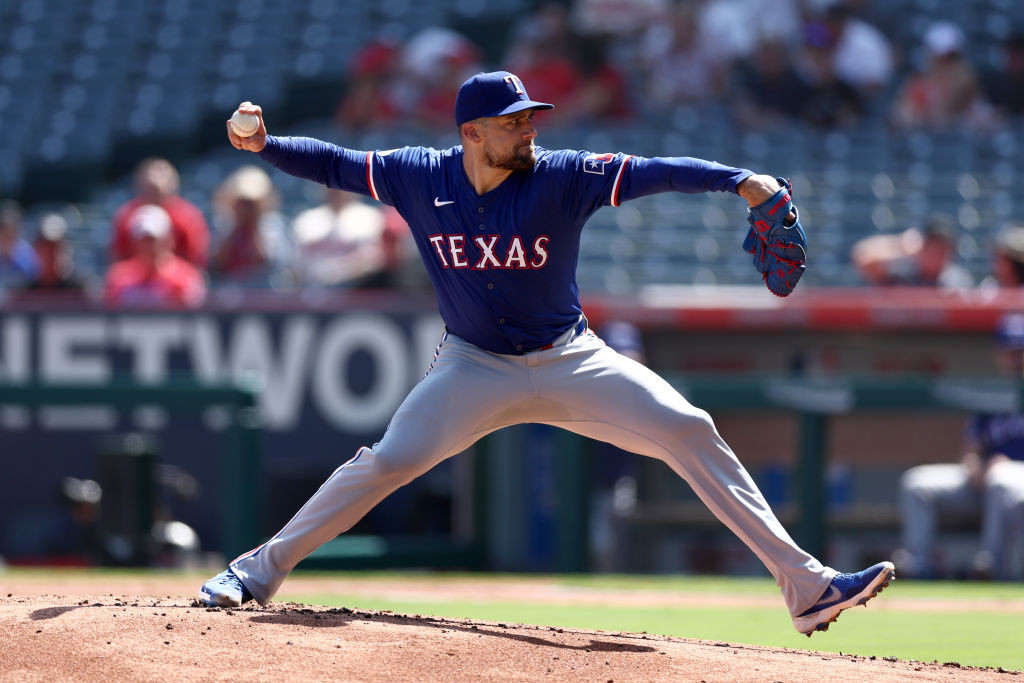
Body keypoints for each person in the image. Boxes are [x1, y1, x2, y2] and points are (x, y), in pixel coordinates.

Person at [197, 70, 894, 636]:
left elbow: (656, 172)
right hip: (472, 364)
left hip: (570, 358)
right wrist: (264, 144)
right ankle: (255, 571)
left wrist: (741, 179)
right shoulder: (420, 175)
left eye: (531, 117)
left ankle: (807, 587)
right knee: (387, 461)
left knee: (689, 427)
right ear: (472, 133)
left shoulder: (562, 175)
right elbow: (334, 163)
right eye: (513, 122)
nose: (529, 128)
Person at [896, 313, 1024, 580]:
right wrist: (974, 466)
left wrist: (1005, 466)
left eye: (1020, 352)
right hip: (984, 483)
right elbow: (971, 448)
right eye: (1010, 352)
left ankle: (990, 564)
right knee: (917, 484)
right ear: (999, 355)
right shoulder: (991, 396)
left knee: (1001, 479)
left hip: (1014, 484)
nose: (1016, 359)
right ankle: (916, 567)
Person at [291, 188, 400, 289]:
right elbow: (296, 263)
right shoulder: (306, 219)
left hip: (357, 290)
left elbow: (375, 260)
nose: (337, 191)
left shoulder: (372, 218)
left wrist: (336, 272)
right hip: (313, 291)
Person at [110, 158, 210, 268]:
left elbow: (195, 258)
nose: (155, 193)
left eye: (158, 190)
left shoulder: (188, 217)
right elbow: (118, 257)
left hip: (177, 274)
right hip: (134, 276)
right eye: (150, 188)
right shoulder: (126, 216)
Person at [209, 165, 294, 289]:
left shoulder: (274, 226)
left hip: (265, 289)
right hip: (230, 289)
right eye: (241, 203)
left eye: (250, 204)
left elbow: (274, 263)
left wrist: (254, 229)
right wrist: (235, 230)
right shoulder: (223, 225)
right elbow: (216, 264)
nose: (245, 209)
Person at [104, 204, 206, 307]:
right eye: (144, 241)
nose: (149, 246)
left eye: (153, 240)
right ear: (134, 243)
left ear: (168, 240)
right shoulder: (118, 279)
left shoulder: (186, 279)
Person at [850, 213, 973, 289]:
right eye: (936, 248)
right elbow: (862, 255)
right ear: (923, 246)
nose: (941, 255)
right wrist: (900, 243)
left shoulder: (956, 280)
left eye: (945, 250)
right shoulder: (903, 272)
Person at [0, 200, 40, 290]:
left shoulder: (26, 251)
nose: (7, 234)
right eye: (4, 229)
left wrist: (11, 258)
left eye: (11, 229)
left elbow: (32, 277)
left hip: (23, 295)